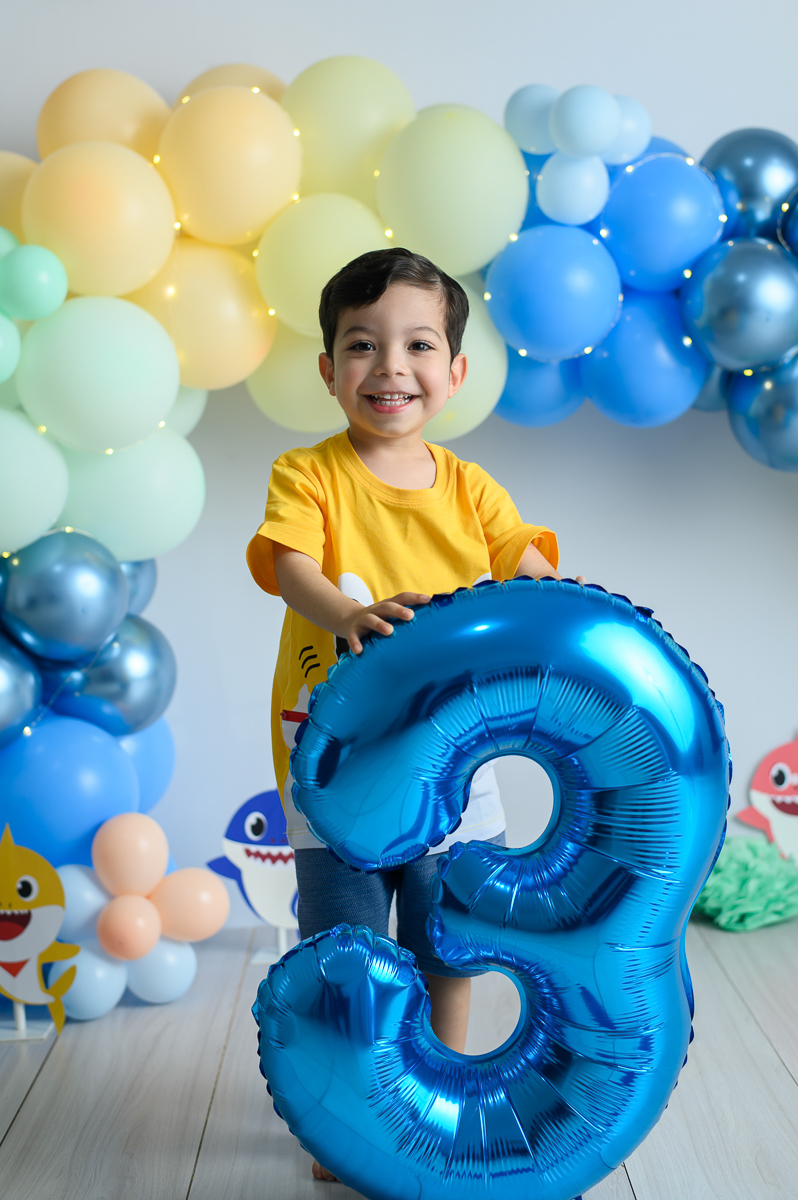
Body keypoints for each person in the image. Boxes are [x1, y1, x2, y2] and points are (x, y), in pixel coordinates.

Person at [247, 247, 573, 1181]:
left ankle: (436, 1089)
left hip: (456, 764)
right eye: (362, 345)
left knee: (445, 933)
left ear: (455, 372)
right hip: (337, 761)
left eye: (417, 344)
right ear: (328, 370)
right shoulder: (309, 473)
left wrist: (551, 599)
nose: (390, 367)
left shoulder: (471, 489)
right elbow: (292, 565)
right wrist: (345, 613)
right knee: (347, 940)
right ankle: (352, 1106)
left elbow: (520, 557)